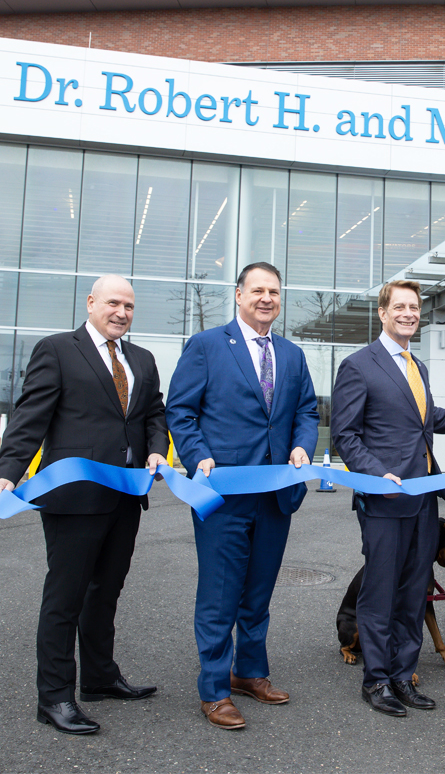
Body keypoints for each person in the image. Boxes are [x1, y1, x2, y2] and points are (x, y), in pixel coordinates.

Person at [0, 275, 168, 735]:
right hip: (73, 500)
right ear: (91, 302)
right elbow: (30, 415)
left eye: (129, 306)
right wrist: (7, 471)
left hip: (126, 497)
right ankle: (54, 698)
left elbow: (154, 413)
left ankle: (99, 677)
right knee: (65, 598)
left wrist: (156, 447)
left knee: (106, 591)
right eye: (114, 302)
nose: (122, 312)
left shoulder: (142, 358)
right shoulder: (57, 350)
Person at [166, 262, 319, 730]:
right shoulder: (207, 346)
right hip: (225, 495)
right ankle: (213, 690)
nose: (266, 298)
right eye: (257, 290)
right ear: (238, 295)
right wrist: (198, 457)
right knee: (220, 595)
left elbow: (307, 410)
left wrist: (301, 445)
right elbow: (181, 410)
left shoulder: (291, 355)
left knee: (258, 592)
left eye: (274, 291)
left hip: (275, 495)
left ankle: (249, 671)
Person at [330, 279, 445, 717]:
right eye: (399, 306)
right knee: (381, 592)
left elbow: (429, 420)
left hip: (423, 498)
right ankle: (377, 680)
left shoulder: (417, 367)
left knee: (412, 594)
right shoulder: (358, 365)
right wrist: (375, 474)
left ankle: (403, 676)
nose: (408, 313)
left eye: (414, 307)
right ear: (383, 313)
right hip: (385, 498)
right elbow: (344, 435)